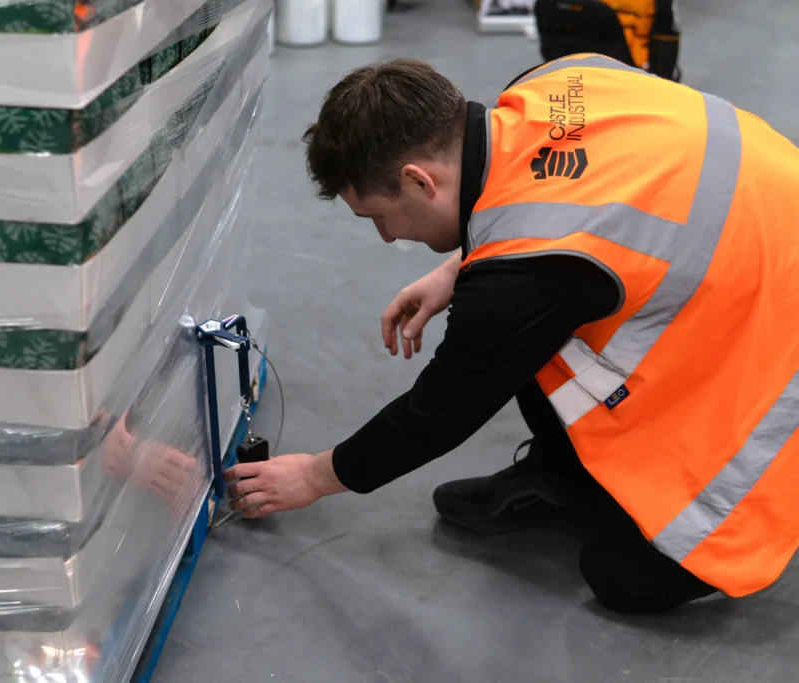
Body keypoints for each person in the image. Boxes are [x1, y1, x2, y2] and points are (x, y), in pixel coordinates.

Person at [223, 54, 799, 614]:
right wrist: (460, 268)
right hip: (760, 254)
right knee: (508, 323)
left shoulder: (524, 276)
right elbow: (581, 198)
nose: (385, 237)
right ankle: (569, 479)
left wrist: (314, 476)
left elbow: (440, 410)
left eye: (379, 216)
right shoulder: (553, 83)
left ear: (419, 181)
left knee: (624, 578)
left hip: (779, 348)